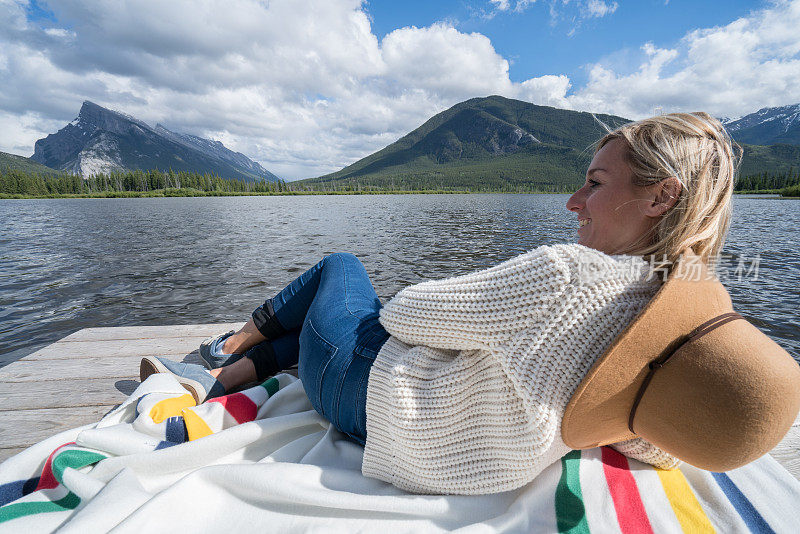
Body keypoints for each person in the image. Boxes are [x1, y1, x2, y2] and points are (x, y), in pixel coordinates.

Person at [141, 112, 737, 495]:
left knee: (343, 269)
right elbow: (654, 444)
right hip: (458, 461)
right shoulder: (672, 305)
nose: (573, 201)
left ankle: (219, 350)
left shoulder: (569, 273)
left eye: (596, 183)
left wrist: (479, 314)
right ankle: (219, 376)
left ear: (661, 197)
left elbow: (403, 316)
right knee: (317, 333)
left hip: (370, 403)